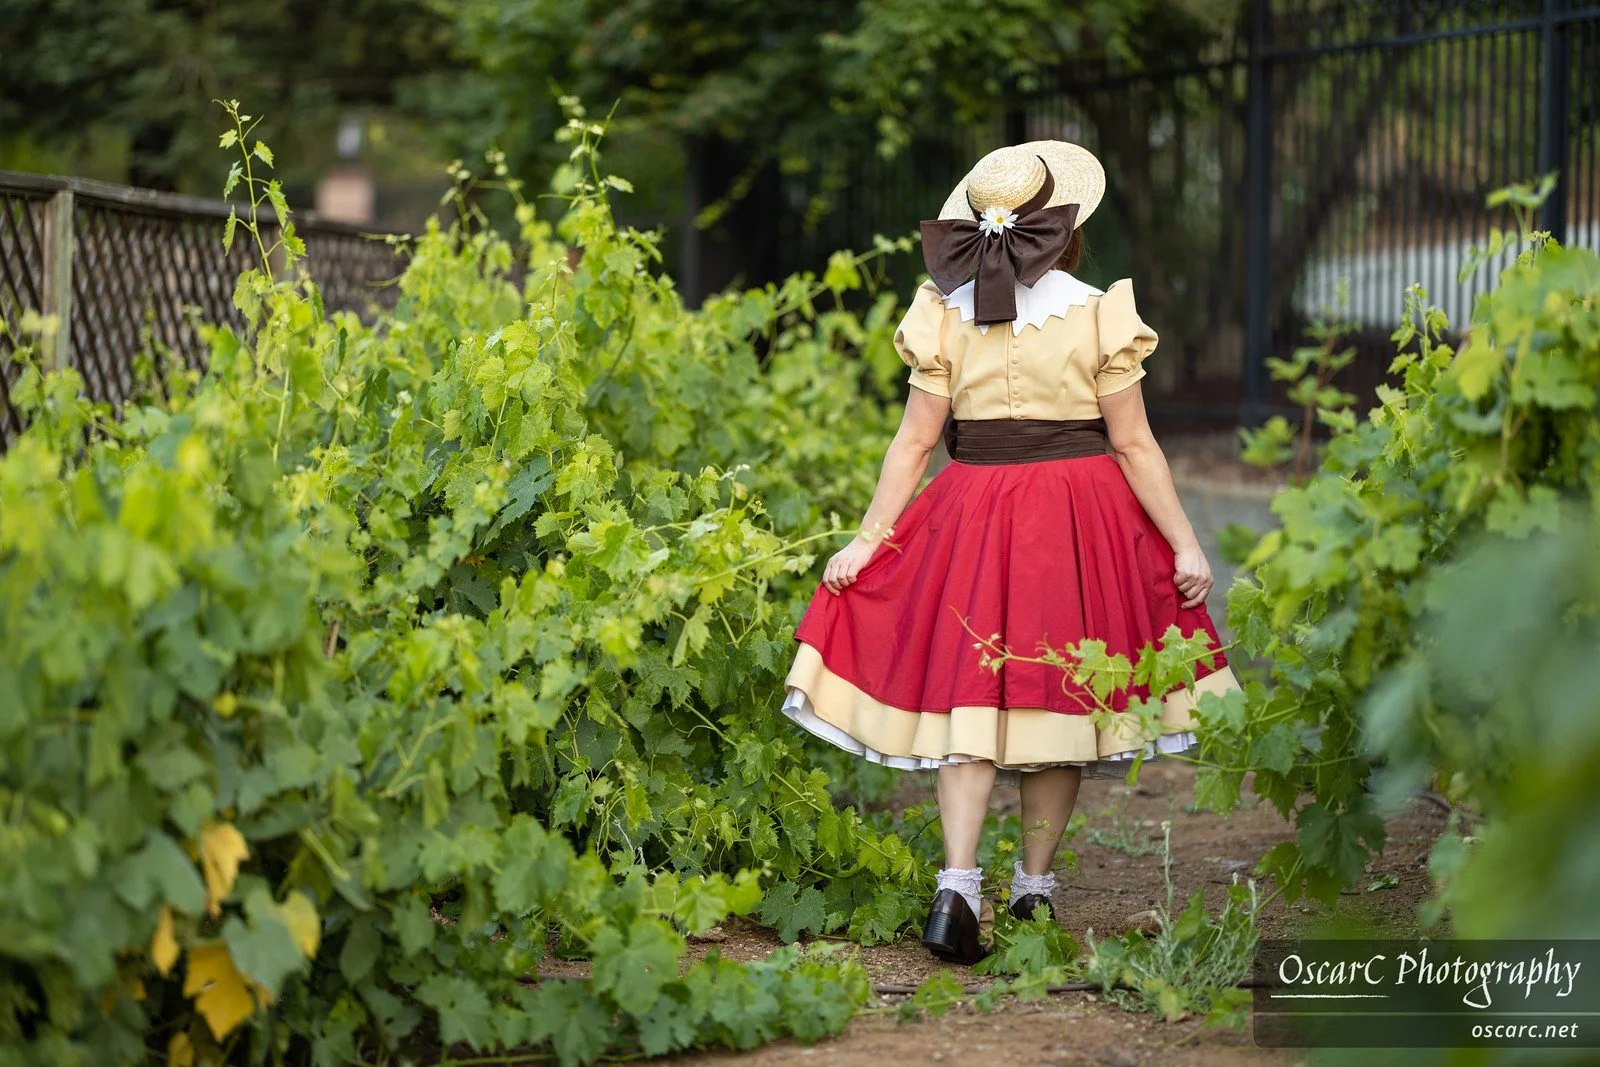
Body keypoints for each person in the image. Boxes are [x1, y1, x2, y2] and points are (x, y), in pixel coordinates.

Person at [776, 141, 1242, 965]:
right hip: (1078, 517)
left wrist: (868, 538)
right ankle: (1032, 891)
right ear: (1067, 228)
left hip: (973, 510)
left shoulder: (944, 311)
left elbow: (914, 442)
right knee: (1057, 696)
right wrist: (1184, 541)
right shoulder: (1100, 312)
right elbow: (1134, 445)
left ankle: (957, 888)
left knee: (970, 689)